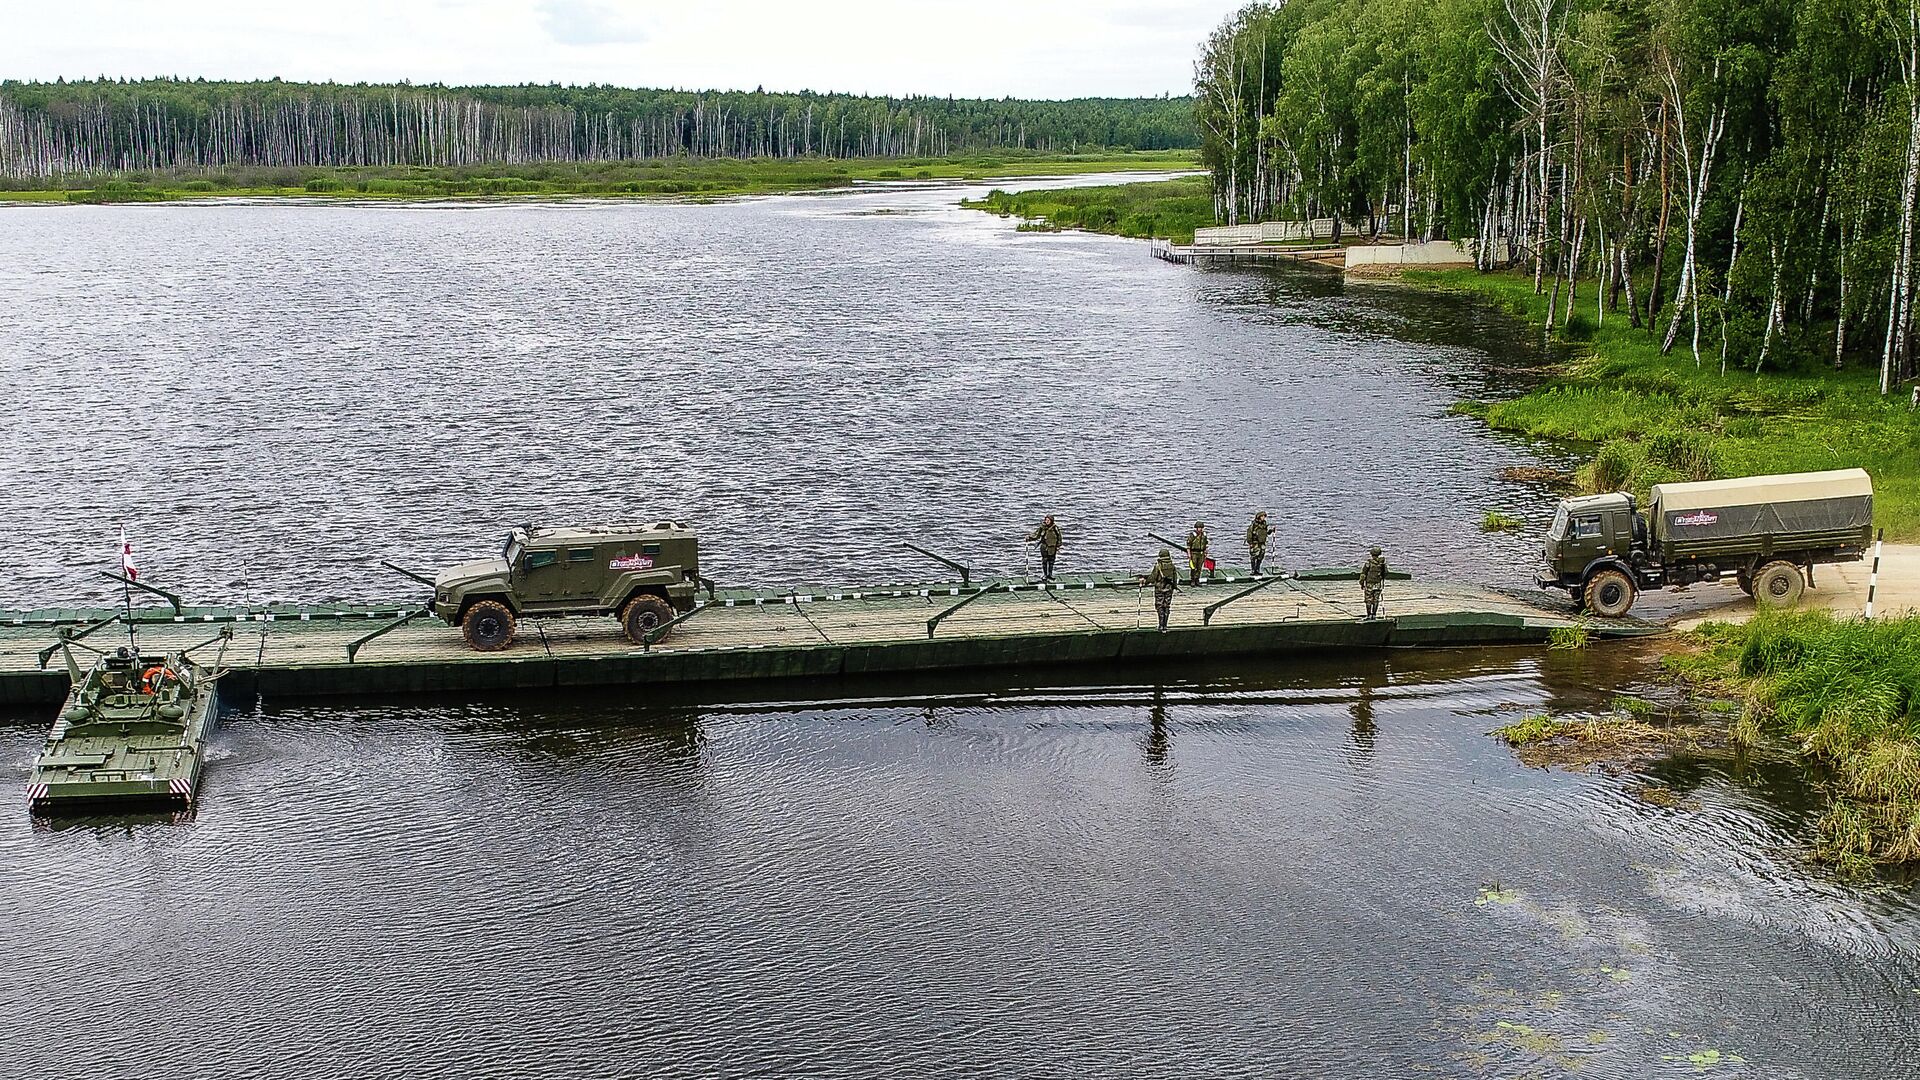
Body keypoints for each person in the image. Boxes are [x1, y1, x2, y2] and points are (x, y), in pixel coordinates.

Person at [1145, 547, 1180, 630]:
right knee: (1167, 606)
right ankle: (1165, 625)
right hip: (1169, 588)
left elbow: (1153, 577)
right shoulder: (1172, 566)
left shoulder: (1158, 566)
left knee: (1159, 606)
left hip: (1159, 588)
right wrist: (1174, 586)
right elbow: (1175, 577)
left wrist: (1146, 582)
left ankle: (1161, 625)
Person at [1027, 515, 1063, 582]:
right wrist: (1029, 538)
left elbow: (1059, 537)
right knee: (1045, 561)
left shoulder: (1055, 528)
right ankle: (1045, 575)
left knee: (1051, 561)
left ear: (1051, 521)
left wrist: (1058, 546)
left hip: (1052, 547)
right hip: (1044, 546)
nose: (1047, 521)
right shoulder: (1042, 527)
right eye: (1046, 520)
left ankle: (1050, 574)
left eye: (1048, 520)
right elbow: (1036, 534)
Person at [1360, 546, 1388, 620]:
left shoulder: (1368, 563)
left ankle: (1369, 615)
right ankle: (1374, 615)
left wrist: (1361, 583)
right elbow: (1385, 573)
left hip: (1369, 584)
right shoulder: (1382, 563)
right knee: (1376, 600)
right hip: (1378, 584)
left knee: (1368, 600)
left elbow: (1363, 574)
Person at [1245, 511, 1272, 575]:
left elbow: (1266, 532)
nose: (1263, 518)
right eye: (1262, 516)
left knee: (1261, 556)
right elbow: (1249, 534)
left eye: (1264, 516)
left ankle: (1257, 569)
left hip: (1262, 543)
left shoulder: (1264, 524)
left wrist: (1271, 531)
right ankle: (1253, 570)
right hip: (1255, 543)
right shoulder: (1254, 525)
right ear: (1259, 517)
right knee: (1254, 556)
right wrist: (1250, 543)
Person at [1185, 521, 1209, 586]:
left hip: (1201, 553)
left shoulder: (1204, 535)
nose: (1200, 529)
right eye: (1199, 527)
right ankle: (1192, 580)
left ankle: (1197, 579)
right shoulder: (1193, 535)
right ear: (1196, 528)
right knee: (1193, 567)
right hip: (1194, 553)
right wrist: (1189, 554)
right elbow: (1188, 545)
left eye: (1201, 528)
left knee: (1199, 567)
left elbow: (1206, 544)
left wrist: (1206, 552)